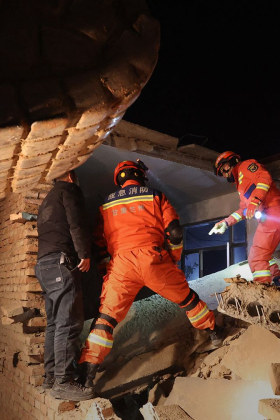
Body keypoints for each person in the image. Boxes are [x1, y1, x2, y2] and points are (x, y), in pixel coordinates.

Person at [79, 160, 222, 389]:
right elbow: (174, 232)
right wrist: (172, 259)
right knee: (188, 299)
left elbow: (99, 244)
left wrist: (108, 270)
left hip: (121, 265)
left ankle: (87, 376)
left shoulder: (105, 205)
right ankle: (214, 334)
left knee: (105, 320)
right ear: (140, 176)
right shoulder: (155, 195)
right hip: (153, 259)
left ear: (120, 179)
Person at [35, 170, 94, 401]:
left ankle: (50, 378)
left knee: (54, 324)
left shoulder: (47, 199)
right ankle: (63, 382)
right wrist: (84, 254)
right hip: (61, 264)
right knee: (68, 325)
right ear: (70, 175)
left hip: (43, 266)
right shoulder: (69, 190)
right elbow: (76, 223)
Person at [210, 152, 280, 285]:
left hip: (273, 213)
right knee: (264, 255)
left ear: (232, 162)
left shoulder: (245, 166)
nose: (224, 175)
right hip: (272, 216)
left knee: (256, 257)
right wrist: (225, 222)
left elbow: (264, 177)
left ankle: (263, 290)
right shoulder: (241, 186)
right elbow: (243, 210)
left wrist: (255, 201)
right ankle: (277, 282)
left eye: (223, 170)